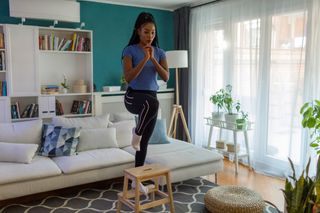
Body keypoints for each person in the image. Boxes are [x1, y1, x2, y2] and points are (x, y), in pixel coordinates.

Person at [122, 12, 169, 193]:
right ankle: (137, 131)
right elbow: (128, 77)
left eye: (153, 32)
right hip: (133, 97)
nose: (150, 36)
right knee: (153, 104)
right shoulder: (129, 50)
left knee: (143, 144)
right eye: (146, 32)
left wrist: (153, 59)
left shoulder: (160, 52)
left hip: (151, 100)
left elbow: (165, 76)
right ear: (138, 31)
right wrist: (144, 60)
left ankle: (136, 181)